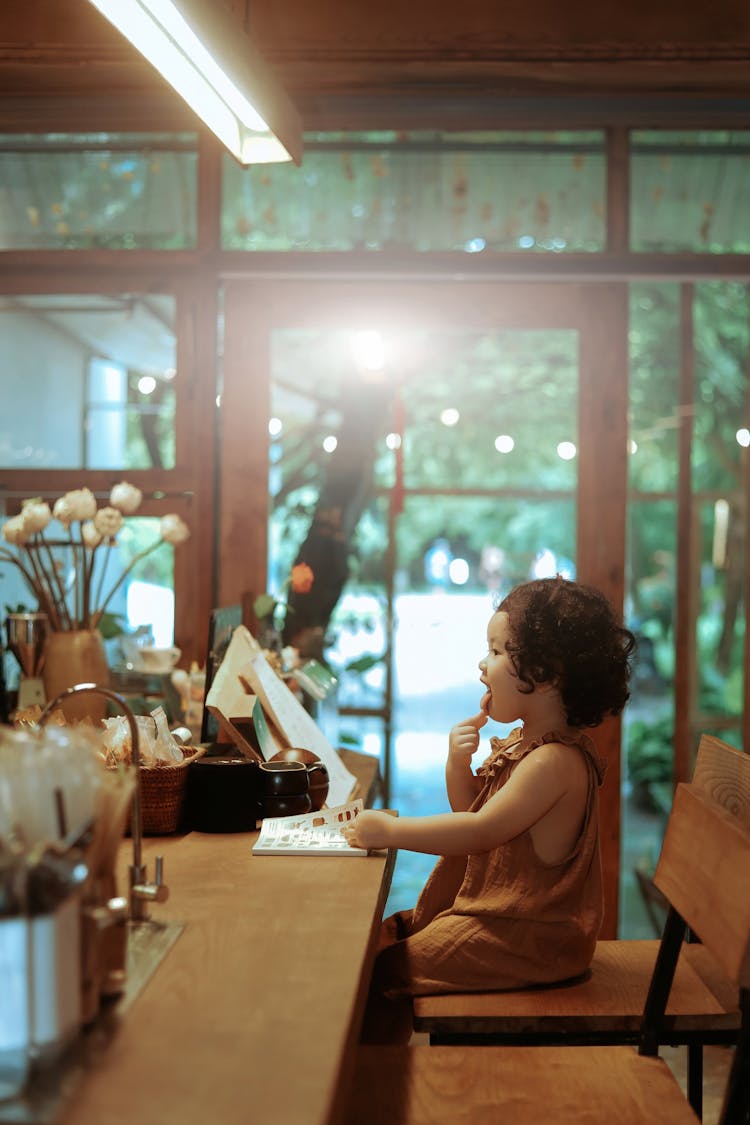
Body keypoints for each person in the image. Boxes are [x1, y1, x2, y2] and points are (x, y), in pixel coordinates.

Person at [342, 575, 636, 1042]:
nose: (483, 664)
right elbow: (474, 810)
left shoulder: (554, 762)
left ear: (545, 674)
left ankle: (375, 1086)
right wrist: (458, 764)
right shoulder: (527, 744)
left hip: (530, 939)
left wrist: (390, 832)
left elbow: (479, 832)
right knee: (384, 938)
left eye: (498, 652)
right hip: (506, 923)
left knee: (377, 970)